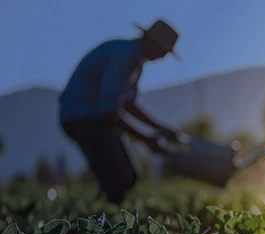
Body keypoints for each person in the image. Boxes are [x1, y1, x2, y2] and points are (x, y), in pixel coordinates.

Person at [59, 19, 181, 203]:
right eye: (163, 51)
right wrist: (146, 139)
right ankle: (97, 221)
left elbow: (128, 104)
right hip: (81, 117)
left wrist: (161, 128)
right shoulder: (125, 57)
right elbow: (109, 111)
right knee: (119, 179)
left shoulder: (134, 60)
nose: (163, 57)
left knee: (127, 178)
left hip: (92, 117)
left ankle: (100, 214)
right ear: (152, 43)